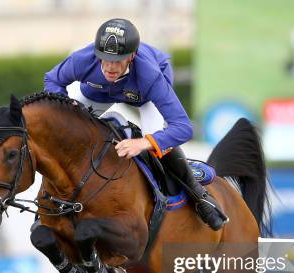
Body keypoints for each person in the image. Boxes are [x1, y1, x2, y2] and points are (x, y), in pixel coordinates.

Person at [44, 18, 228, 230]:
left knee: (157, 148)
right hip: (98, 92)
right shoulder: (83, 59)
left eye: (118, 60)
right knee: (65, 130)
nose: (110, 68)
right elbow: (53, 80)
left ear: (131, 56)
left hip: (144, 96)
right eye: (105, 59)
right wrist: (66, 110)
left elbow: (183, 127)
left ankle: (200, 197)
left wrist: (145, 142)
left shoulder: (150, 75)